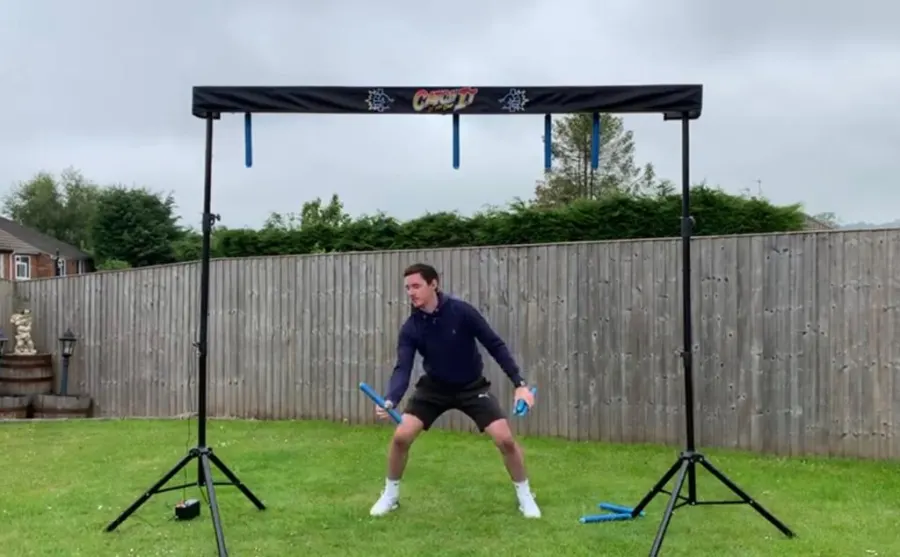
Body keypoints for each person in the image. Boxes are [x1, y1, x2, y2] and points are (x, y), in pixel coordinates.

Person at [368, 262, 541, 519]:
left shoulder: (462, 312)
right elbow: (403, 368)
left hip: (472, 387)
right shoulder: (411, 328)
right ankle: (390, 496)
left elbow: (494, 345)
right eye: (407, 288)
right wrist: (391, 399)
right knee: (401, 437)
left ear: (433, 284)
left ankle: (525, 496)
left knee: (505, 439)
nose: (411, 292)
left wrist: (520, 384)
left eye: (416, 286)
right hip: (434, 389)